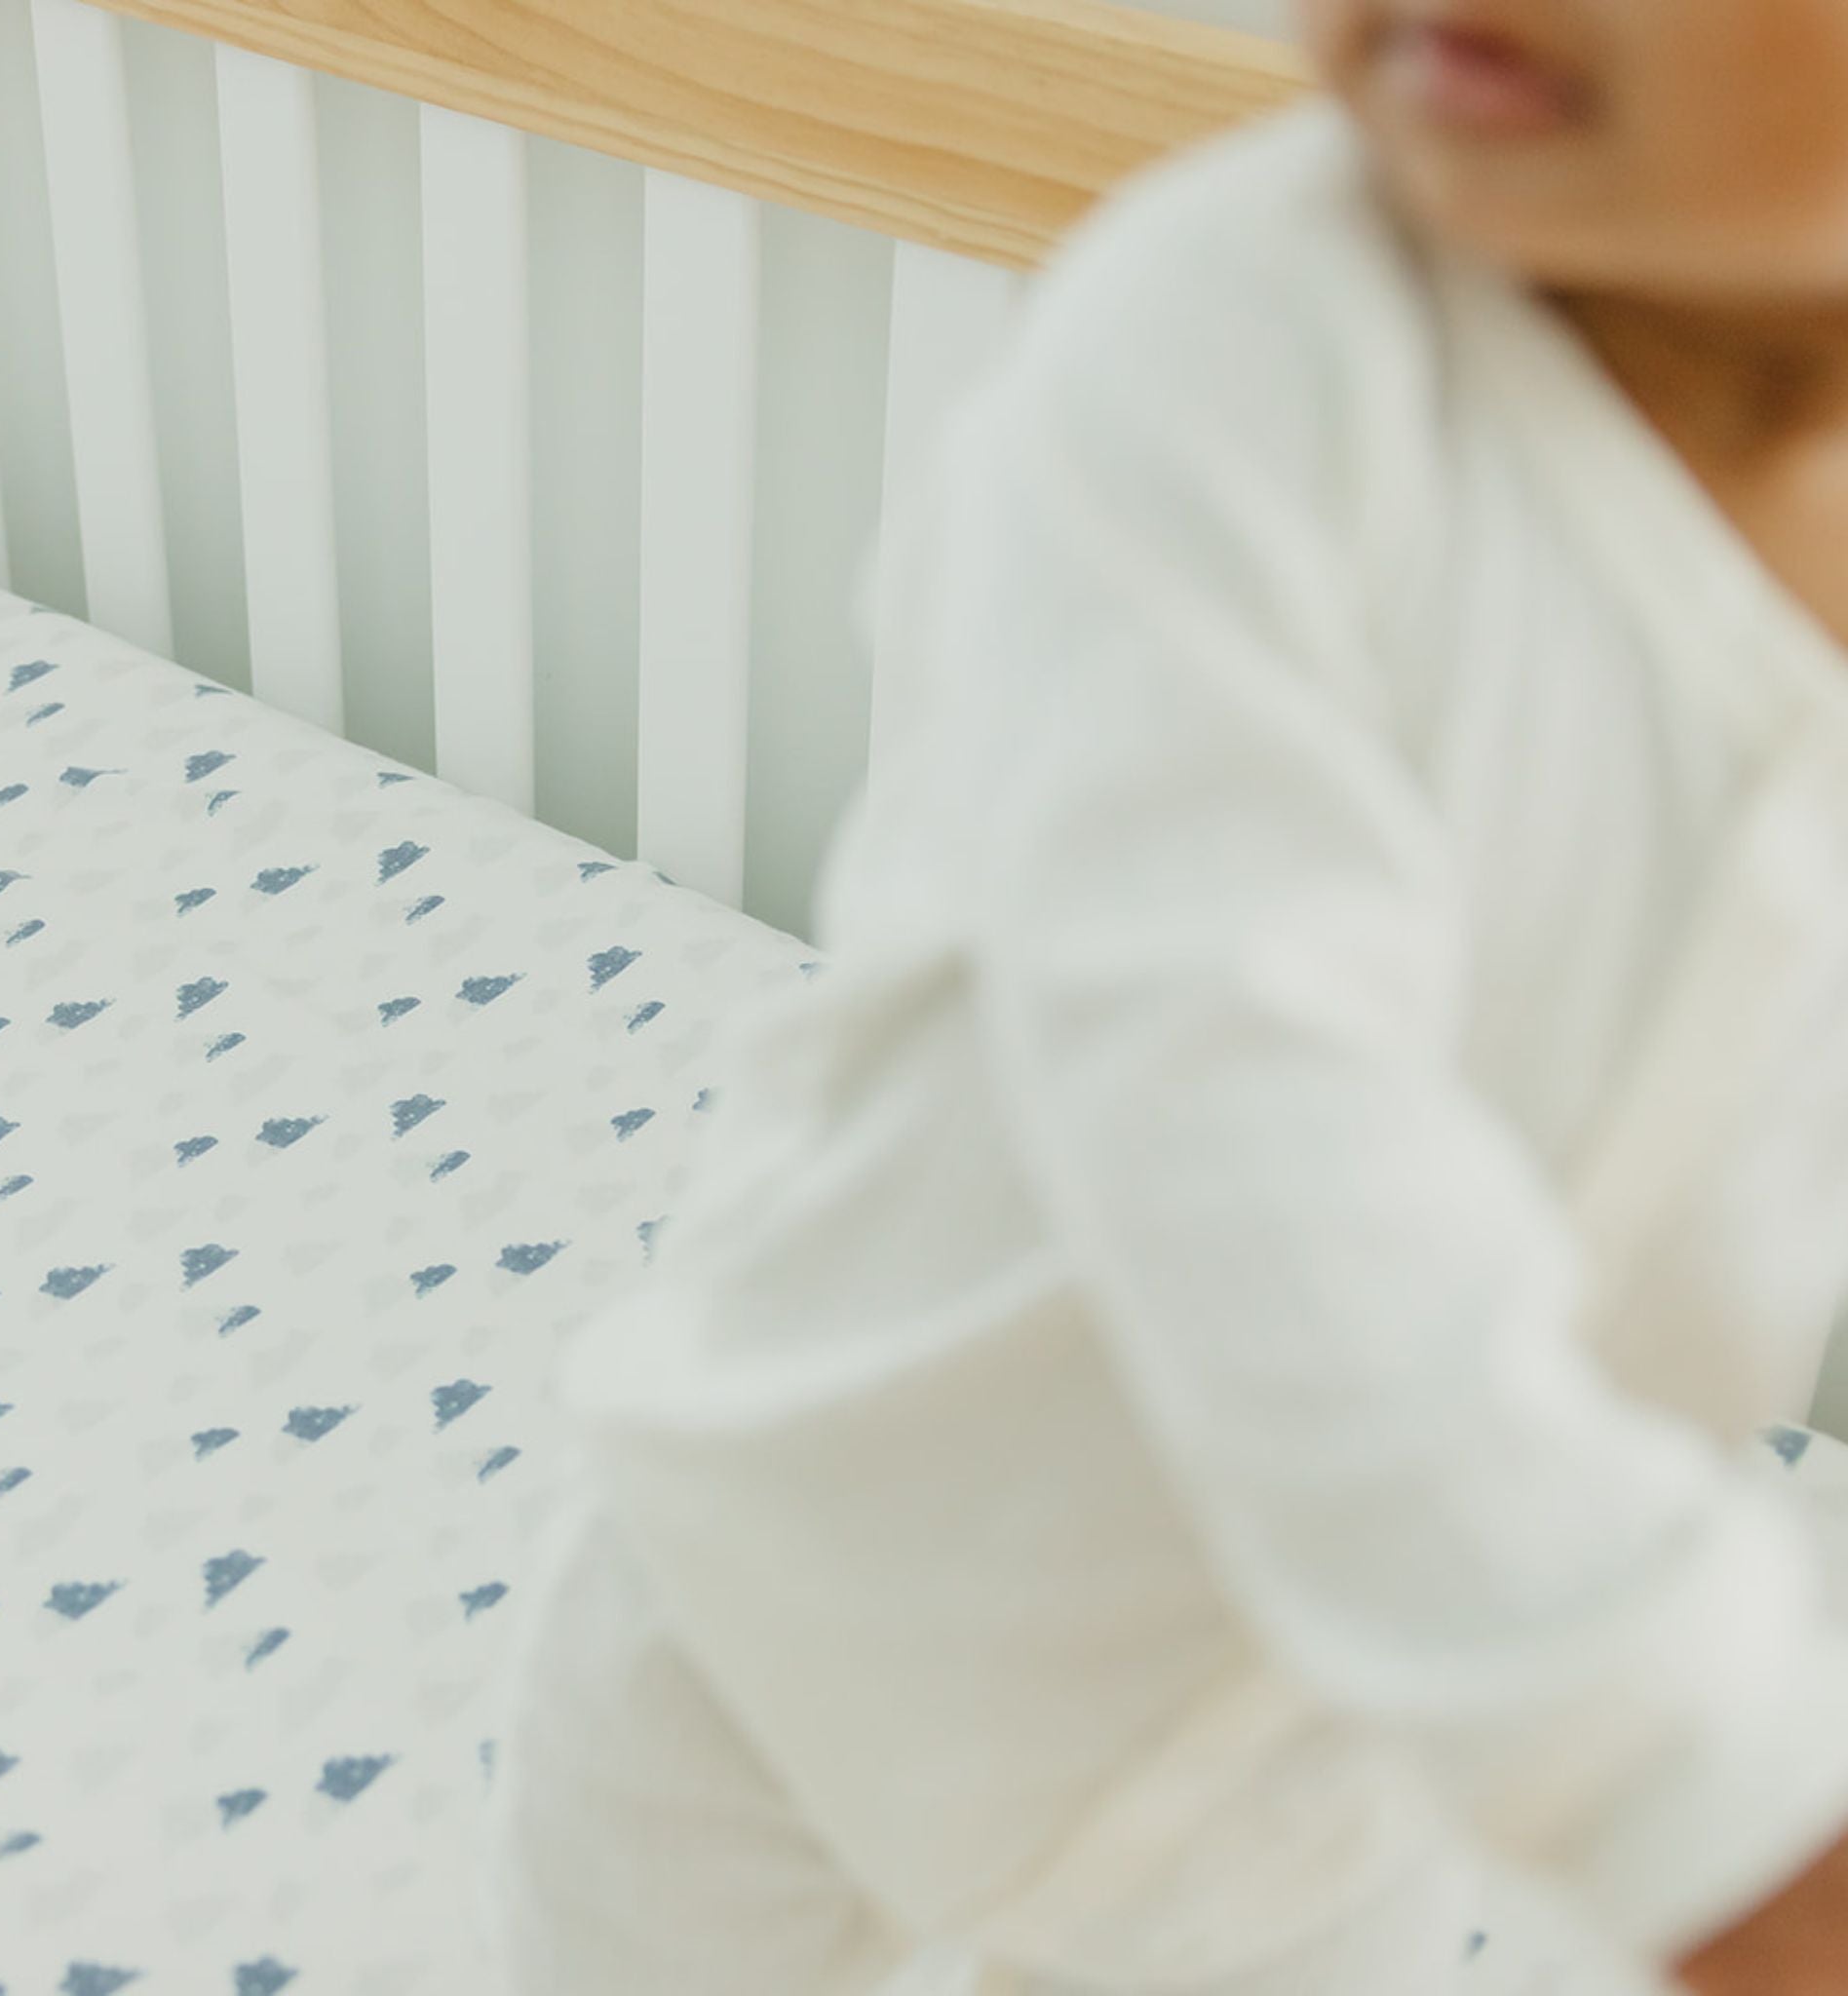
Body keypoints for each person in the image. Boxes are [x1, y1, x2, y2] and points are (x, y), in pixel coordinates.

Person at [491, 4, 1848, 1990]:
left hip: (1302, 1767)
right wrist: (1703, 1796)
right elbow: (1239, 1110)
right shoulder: (1236, 347)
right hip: (793, 1595)